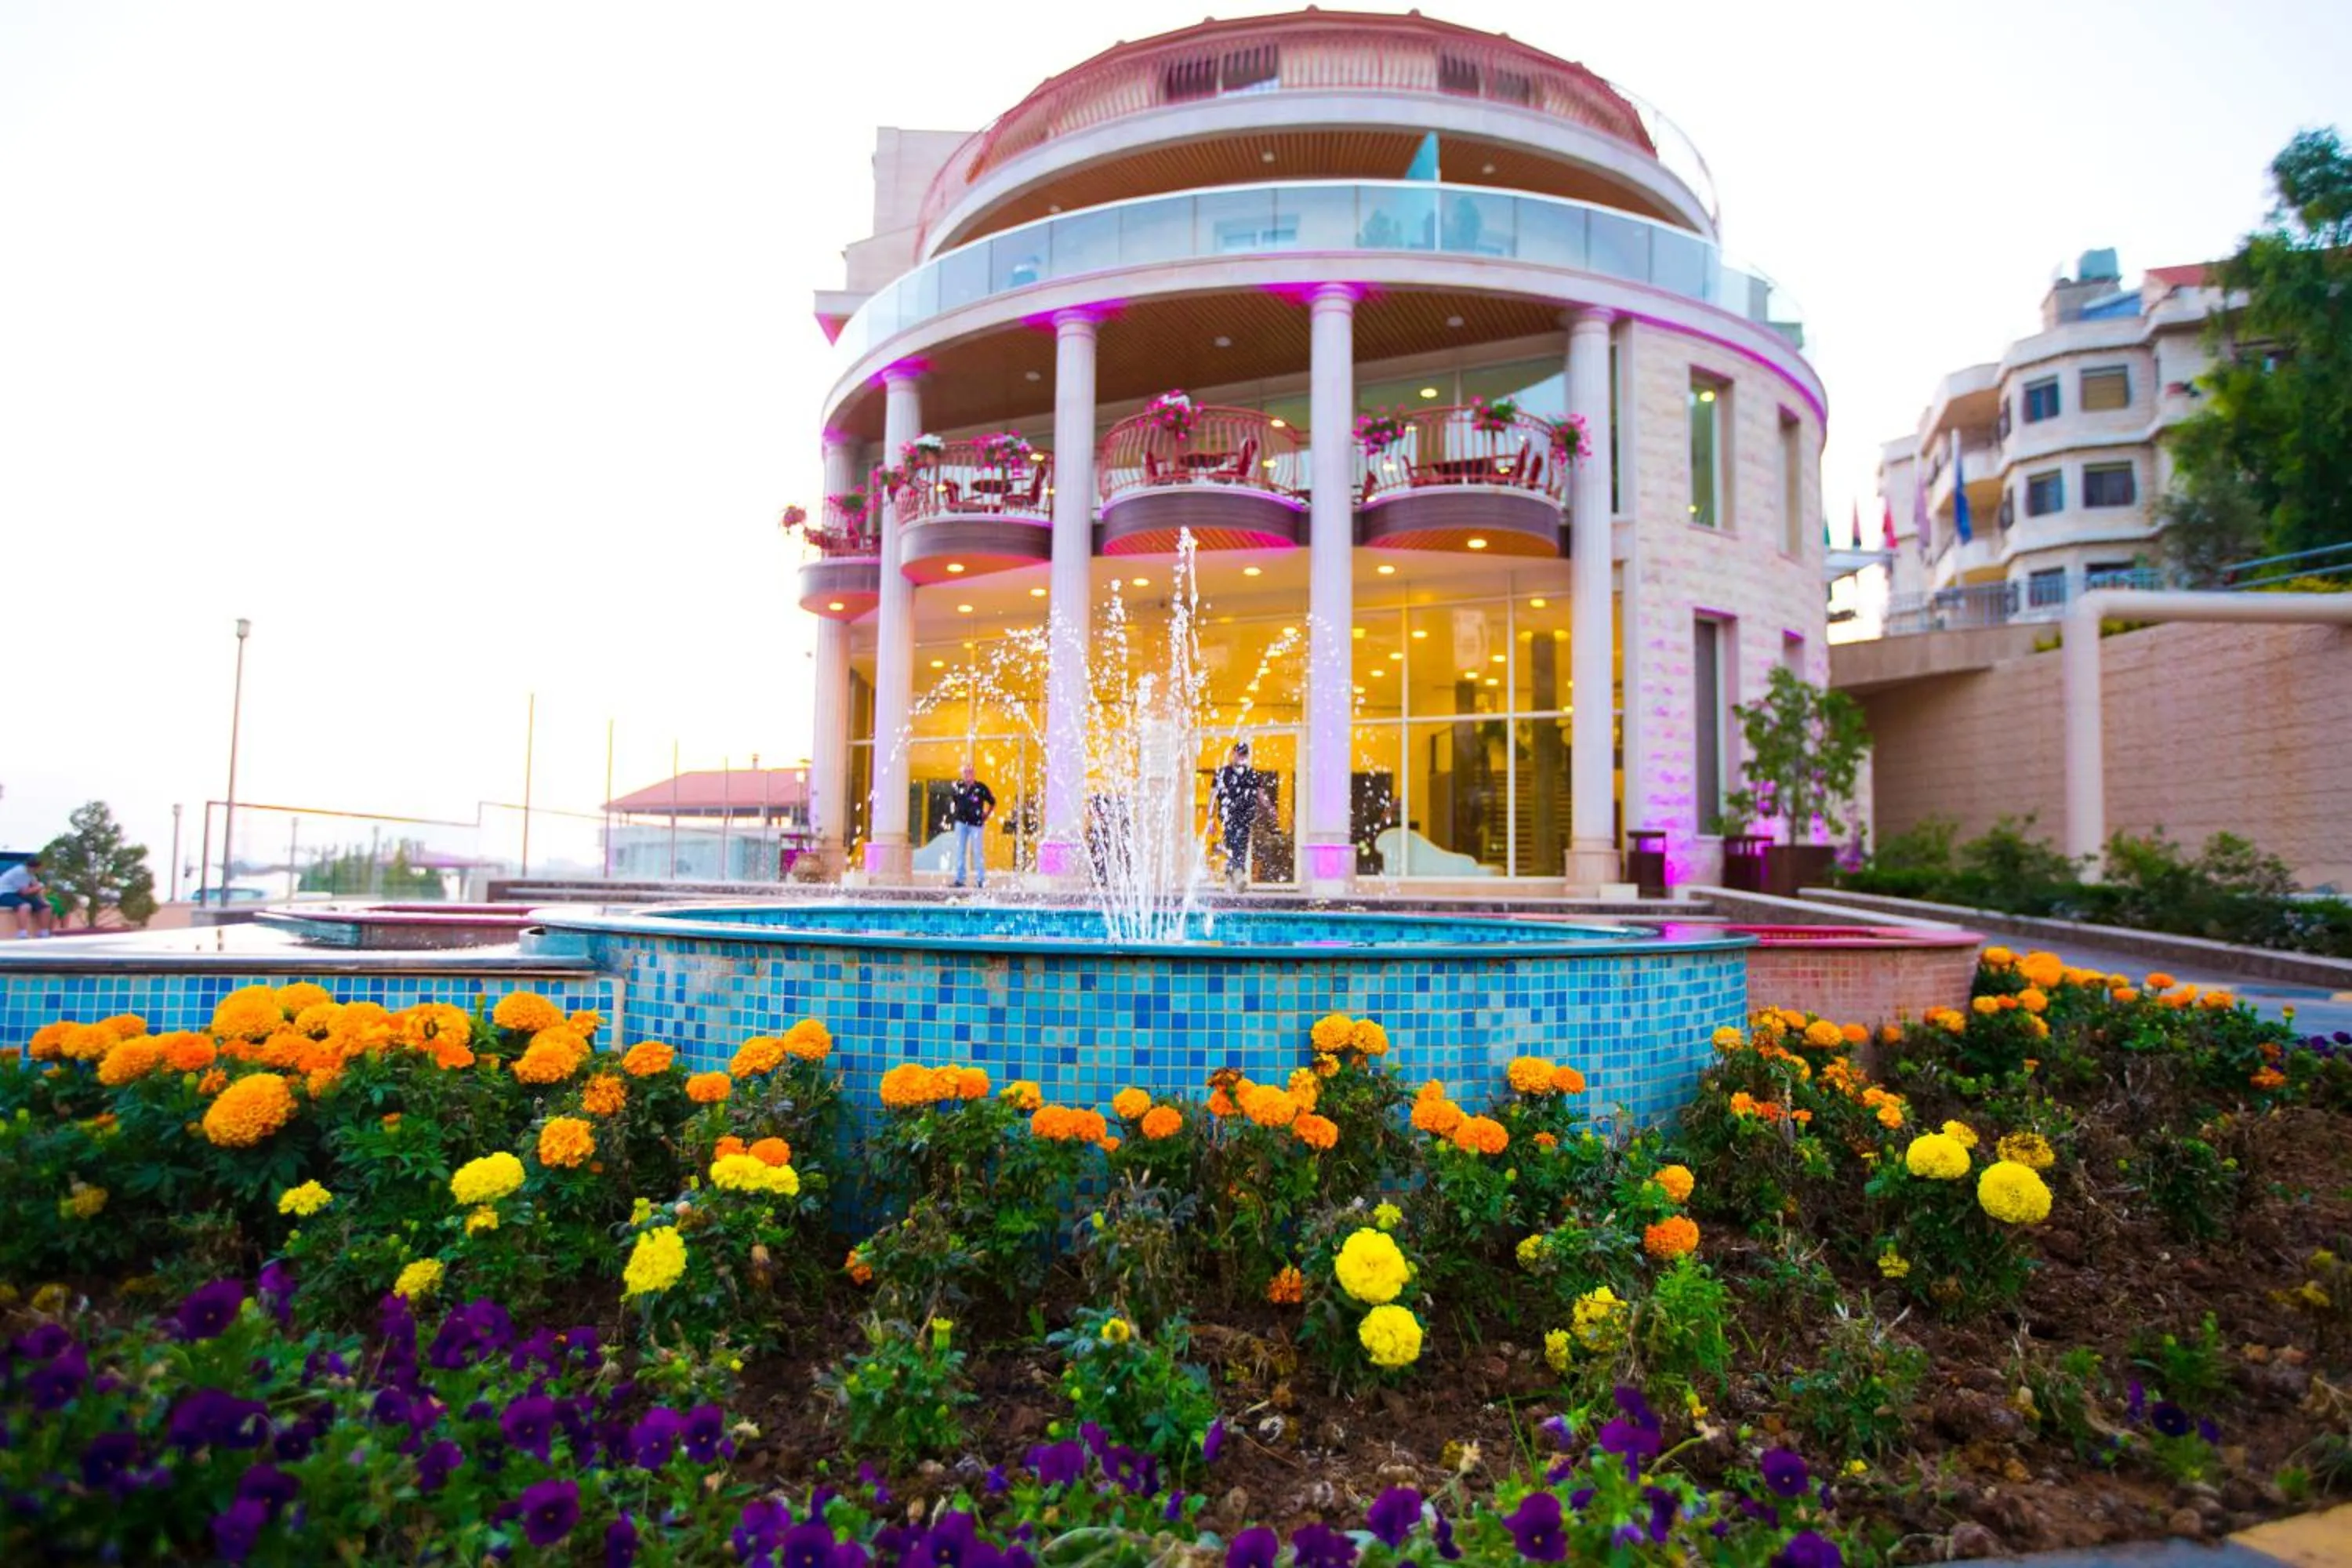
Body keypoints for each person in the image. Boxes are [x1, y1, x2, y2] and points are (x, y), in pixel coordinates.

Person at [1212, 741, 1261, 893]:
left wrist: (1270, 808)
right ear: (1233, 754)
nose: (1240, 757)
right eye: (1238, 754)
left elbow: (1260, 793)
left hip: (1245, 818)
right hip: (1229, 818)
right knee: (1233, 846)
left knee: (1239, 847)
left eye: (1243, 755)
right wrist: (1209, 818)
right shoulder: (1223, 774)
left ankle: (1230, 881)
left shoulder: (1251, 774)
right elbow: (1213, 796)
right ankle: (1238, 877)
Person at [943, 762, 996, 890]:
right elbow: (955, 802)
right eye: (966, 772)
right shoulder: (958, 786)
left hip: (976, 824)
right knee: (960, 851)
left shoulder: (981, 788)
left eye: (970, 772)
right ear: (963, 773)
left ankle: (981, 880)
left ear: (974, 773)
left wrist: (986, 815)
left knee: (978, 851)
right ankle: (960, 879)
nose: (968, 774)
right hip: (961, 823)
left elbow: (993, 802)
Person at [0, 855, 53, 938]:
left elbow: (36, 887)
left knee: (46, 907)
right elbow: (25, 892)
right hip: (4, 893)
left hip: (16, 893)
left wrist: (43, 900)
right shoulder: (20, 872)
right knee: (25, 906)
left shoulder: (31, 872)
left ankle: (44, 932)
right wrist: (41, 886)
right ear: (36, 867)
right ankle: (22, 933)